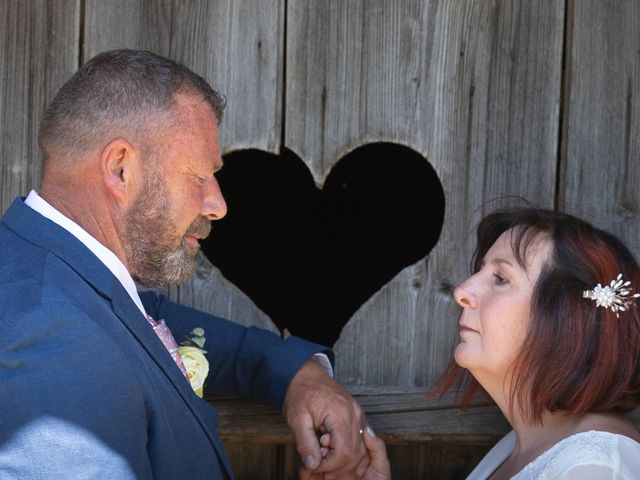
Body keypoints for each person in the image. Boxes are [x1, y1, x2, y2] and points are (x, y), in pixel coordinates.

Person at [0, 49, 368, 479]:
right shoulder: (54, 336)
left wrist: (297, 376)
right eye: (198, 176)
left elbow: (152, 318)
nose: (218, 205)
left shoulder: (58, 273)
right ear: (121, 169)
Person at [332, 207, 640, 479]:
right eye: (480, 270)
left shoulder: (595, 468)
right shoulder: (516, 449)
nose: (462, 290)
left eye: (501, 279)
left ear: (571, 320)